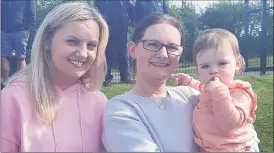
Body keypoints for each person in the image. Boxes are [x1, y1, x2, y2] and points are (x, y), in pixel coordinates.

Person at [1, 2, 109, 152]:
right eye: (72, 41)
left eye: (91, 45)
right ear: (47, 41)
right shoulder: (12, 99)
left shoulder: (99, 102)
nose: (83, 53)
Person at [102, 14, 200, 152]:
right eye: (153, 44)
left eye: (172, 47)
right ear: (132, 50)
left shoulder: (190, 97)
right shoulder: (121, 110)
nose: (163, 54)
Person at [173, 29, 260, 152]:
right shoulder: (208, 88)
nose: (213, 70)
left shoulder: (240, 93)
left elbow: (229, 123)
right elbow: (199, 87)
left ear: (237, 64)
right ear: (198, 70)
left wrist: (219, 92)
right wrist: (187, 81)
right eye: (205, 66)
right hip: (209, 147)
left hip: (235, 148)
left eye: (222, 63)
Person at [95, 0, 135, 86]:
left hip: (123, 30)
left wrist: (129, 21)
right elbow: (98, 10)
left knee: (124, 54)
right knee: (107, 54)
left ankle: (125, 77)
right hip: (108, 29)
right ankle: (106, 77)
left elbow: (132, 10)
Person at [1, 0, 36, 89]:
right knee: (3, 57)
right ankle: (4, 82)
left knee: (21, 57)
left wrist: (28, 29)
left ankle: (19, 83)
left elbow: (32, 13)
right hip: (4, 31)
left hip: (21, 31)